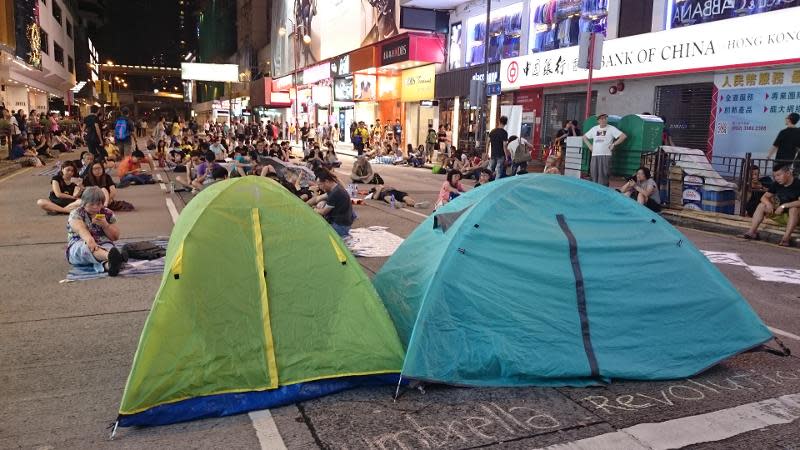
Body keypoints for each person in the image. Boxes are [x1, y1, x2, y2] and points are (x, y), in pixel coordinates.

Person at [66, 186, 123, 276]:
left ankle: (109, 266)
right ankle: (110, 257)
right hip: (80, 243)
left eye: (99, 204)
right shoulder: (76, 213)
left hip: (103, 243)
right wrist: (89, 239)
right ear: (84, 203)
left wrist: (106, 225)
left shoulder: (107, 213)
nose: (95, 207)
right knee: (87, 248)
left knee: (109, 248)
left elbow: (115, 237)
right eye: (91, 204)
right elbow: (80, 229)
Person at [743, 164, 799, 247]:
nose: (776, 178)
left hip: (795, 218)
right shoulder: (776, 184)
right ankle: (752, 232)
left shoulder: (798, 184)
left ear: (788, 173)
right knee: (762, 205)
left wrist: (784, 206)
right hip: (778, 214)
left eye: (779, 175)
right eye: (775, 176)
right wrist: (768, 204)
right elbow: (764, 197)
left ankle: (786, 238)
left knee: (794, 209)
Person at [583, 113, 627, 187]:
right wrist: (590, 146)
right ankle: (594, 191)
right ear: (598, 121)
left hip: (606, 155)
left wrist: (614, 144)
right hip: (595, 155)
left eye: (605, 118)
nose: (603, 120)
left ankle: (603, 192)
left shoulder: (611, 128)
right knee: (594, 174)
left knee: (604, 175)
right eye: (601, 119)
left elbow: (623, 136)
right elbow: (584, 137)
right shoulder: (594, 129)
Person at [315, 169, 354, 237]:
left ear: (326, 181)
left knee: (316, 234)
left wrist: (314, 210)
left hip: (340, 226)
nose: (319, 187)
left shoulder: (335, 193)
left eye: (320, 184)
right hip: (344, 222)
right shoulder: (336, 188)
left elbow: (324, 212)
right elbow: (319, 199)